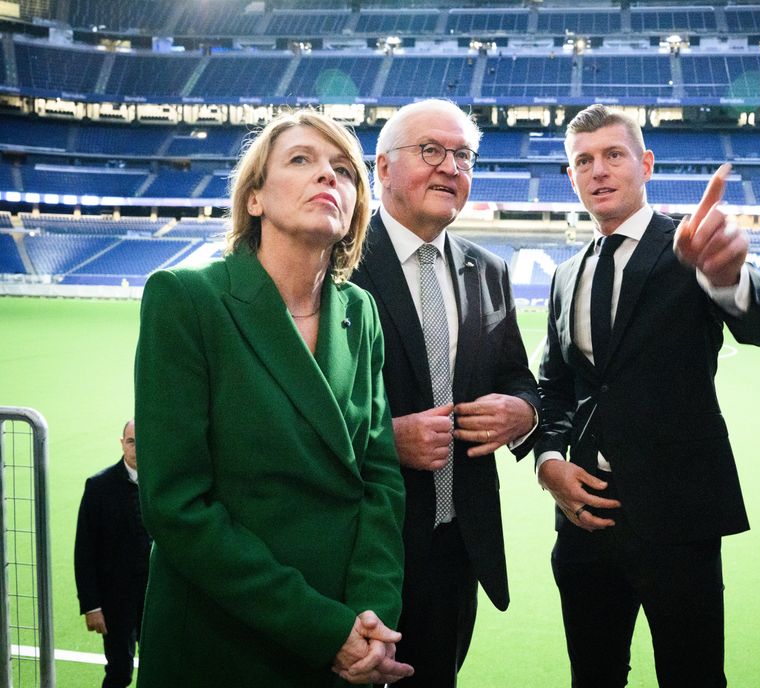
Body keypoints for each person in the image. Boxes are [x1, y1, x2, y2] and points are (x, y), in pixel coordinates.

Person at [134, 110, 412, 687]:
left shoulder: (359, 312)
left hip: (344, 638)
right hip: (223, 641)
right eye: (301, 160)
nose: (328, 177)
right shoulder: (186, 300)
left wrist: (370, 614)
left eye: (343, 169)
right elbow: (176, 506)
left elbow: (380, 478)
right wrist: (320, 627)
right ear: (254, 197)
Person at [535, 104, 760, 687]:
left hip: (679, 518)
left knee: (693, 677)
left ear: (645, 163)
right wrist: (549, 463)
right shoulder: (566, 272)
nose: (598, 170)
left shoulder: (691, 246)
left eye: (613, 155)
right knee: (593, 677)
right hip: (585, 520)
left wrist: (727, 277)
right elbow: (557, 387)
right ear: (569, 175)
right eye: (583, 160)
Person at [350, 99, 540, 687]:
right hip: (361, 546)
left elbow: (516, 377)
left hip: (457, 548)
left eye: (463, 155)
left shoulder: (488, 268)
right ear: (382, 168)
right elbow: (295, 411)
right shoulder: (337, 264)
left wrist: (523, 413)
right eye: (430, 151)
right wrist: (386, 441)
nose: (450, 168)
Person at [74, 420, 150, 688]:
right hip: (116, 601)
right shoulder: (98, 487)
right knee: (119, 671)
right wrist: (91, 606)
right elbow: (84, 551)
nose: (137, 449)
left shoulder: (163, 484)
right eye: (131, 442)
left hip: (155, 598)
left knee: (159, 668)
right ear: (122, 444)